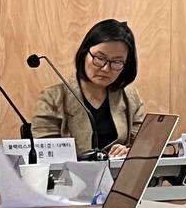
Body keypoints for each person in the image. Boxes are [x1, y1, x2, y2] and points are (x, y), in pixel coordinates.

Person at [32, 19, 145, 158]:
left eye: (116, 62)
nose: (106, 68)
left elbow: (143, 146)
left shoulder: (131, 97)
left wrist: (129, 152)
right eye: (99, 58)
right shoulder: (52, 97)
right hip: (70, 172)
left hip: (119, 171)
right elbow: (45, 152)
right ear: (84, 53)